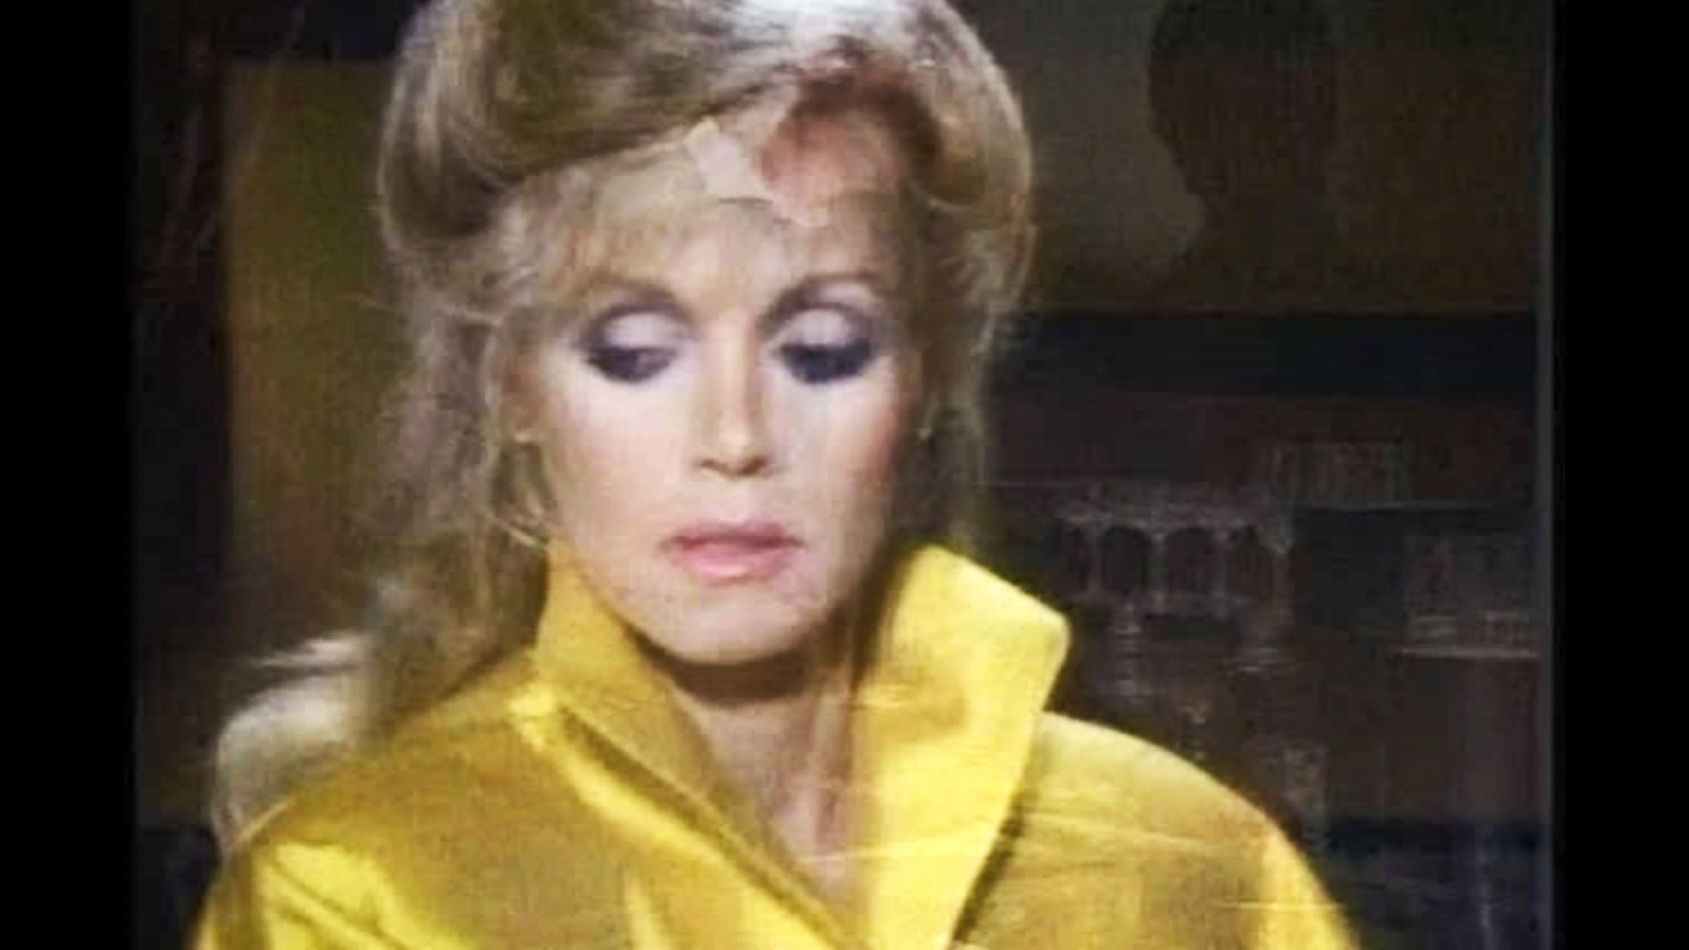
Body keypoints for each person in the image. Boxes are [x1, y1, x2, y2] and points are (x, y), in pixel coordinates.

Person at [197, 0, 1356, 945]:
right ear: (511, 385)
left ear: (927, 375)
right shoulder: (354, 895)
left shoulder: (1199, 873)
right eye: (634, 352)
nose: (737, 435)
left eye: (823, 348)